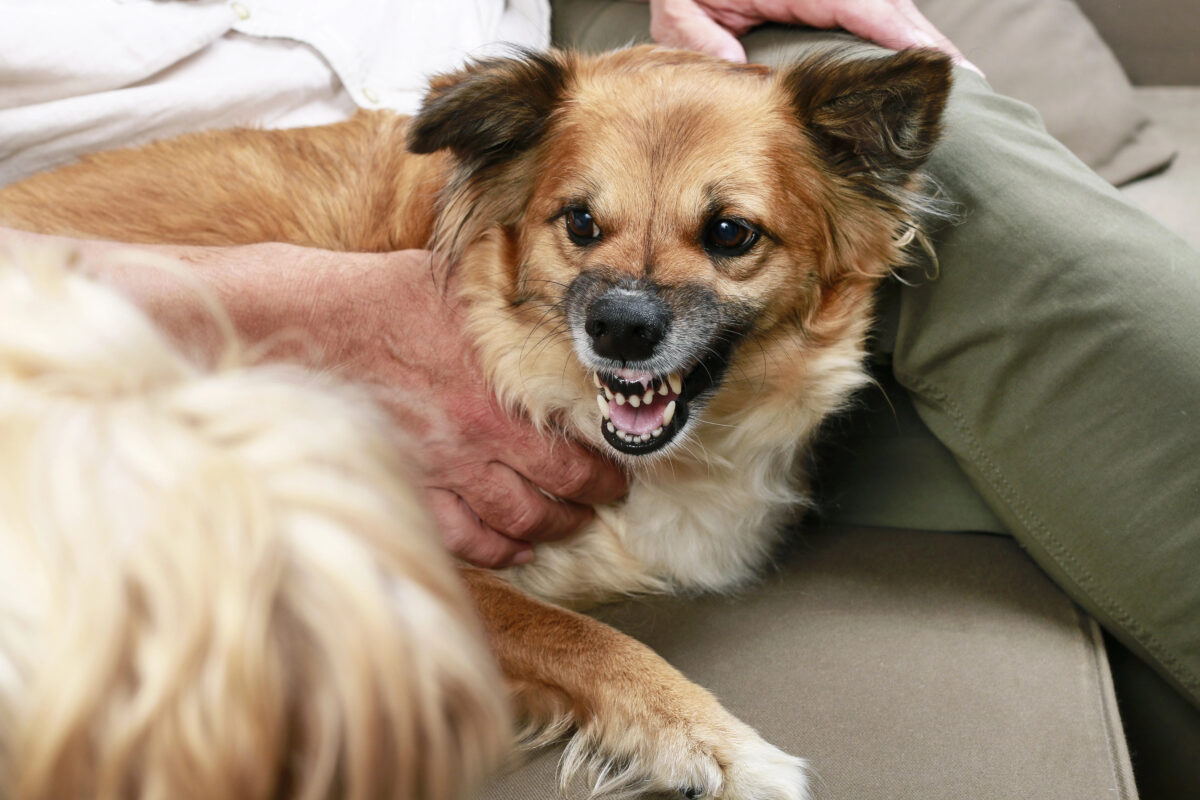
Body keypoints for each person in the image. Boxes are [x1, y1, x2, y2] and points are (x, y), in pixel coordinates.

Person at [2, 0, 1197, 767]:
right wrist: (282, 304)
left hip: (529, 42)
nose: (630, 304)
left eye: (723, 239)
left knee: (967, 156)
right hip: (143, 206)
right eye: (587, 237)